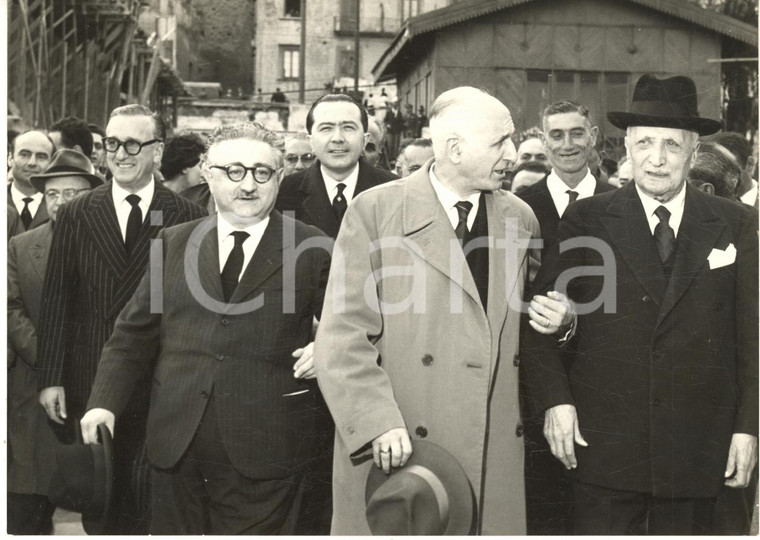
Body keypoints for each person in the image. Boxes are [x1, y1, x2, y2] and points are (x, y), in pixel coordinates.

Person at [314, 86, 572, 535]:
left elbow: (527, 325)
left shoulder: (520, 218)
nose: (512, 153)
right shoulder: (375, 212)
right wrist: (377, 423)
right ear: (454, 148)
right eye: (500, 142)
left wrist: (564, 320)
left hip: (492, 452)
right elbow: (342, 335)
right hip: (403, 447)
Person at [522, 74, 758, 535]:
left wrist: (749, 429)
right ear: (626, 146)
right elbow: (542, 321)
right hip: (606, 453)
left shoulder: (737, 225)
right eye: (645, 142)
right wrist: (556, 403)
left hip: (702, 455)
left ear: (694, 152)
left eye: (671, 144)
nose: (657, 158)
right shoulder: (587, 218)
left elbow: (754, 338)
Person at [80, 122, 331, 534]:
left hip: (266, 449)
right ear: (208, 174)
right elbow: (132, 335)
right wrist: (103, 402)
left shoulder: (314, 247)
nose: (247, 184)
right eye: (233, 171)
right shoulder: (173, 242)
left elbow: (353, 325)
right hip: (175, 447)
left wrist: (328, 346)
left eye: (261, 172)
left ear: (279, 178)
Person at [36, 104, 206, 534]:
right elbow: (58, 300)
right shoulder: (77, 212)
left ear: (157, 150)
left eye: (133, 143)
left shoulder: (187, 215)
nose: (121, 153)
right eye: (112, 143)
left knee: (153, 499)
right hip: (91, 379)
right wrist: (51, 376)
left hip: (160, 382)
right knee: (103, 503)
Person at [7, 149, 103, 534]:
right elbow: (11, 310)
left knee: (101, 496)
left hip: (97, 385)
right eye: (53, 194)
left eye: (72, 193)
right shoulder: (20, 245)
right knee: (30, 500)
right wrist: (51, 363)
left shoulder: (113, 246)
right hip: (34, 391)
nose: (62, 202)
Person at [276, 93, 397, 239]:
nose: (338, 138)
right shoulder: (285, 191)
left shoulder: (393, 189)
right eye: (326, 128)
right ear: (311, 141)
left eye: (348, 128)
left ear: (365, 140)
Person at [517, 100, 616, 251]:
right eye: (557, 136)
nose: (568, 145)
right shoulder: (521, 205)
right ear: (544, 141)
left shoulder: (619, 202)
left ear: (593, 136)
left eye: (577, 134)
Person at [7, 130, 55, 234]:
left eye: (41, 157)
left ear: (52, 163)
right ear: (10, 158)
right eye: (24, 155)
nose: (32, 163)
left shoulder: (59, 207)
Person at [704, 131, 758, 207]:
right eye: (715, 168)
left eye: (728, 167)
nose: (720, 175)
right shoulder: (709, 204)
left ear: (749, 164)